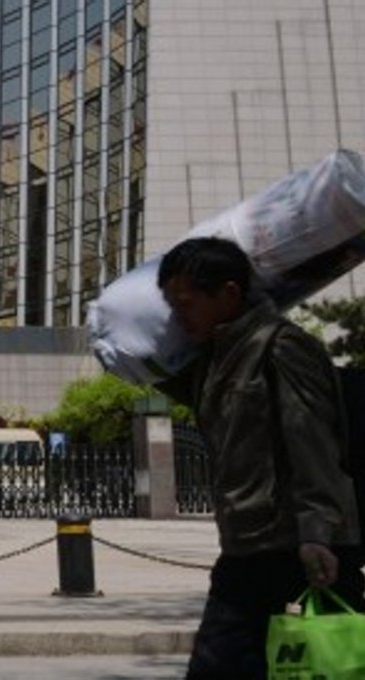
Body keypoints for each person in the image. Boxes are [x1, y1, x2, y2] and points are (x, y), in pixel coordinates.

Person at [154, 237, 364, 680]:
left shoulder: (281, 348)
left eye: (186, 303)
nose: (178, 316)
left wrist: (317, 532)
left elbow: (313, 443)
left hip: (302, 549)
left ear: (229, 294)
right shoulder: (214, 359)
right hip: (249, 547)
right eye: (171, 305)